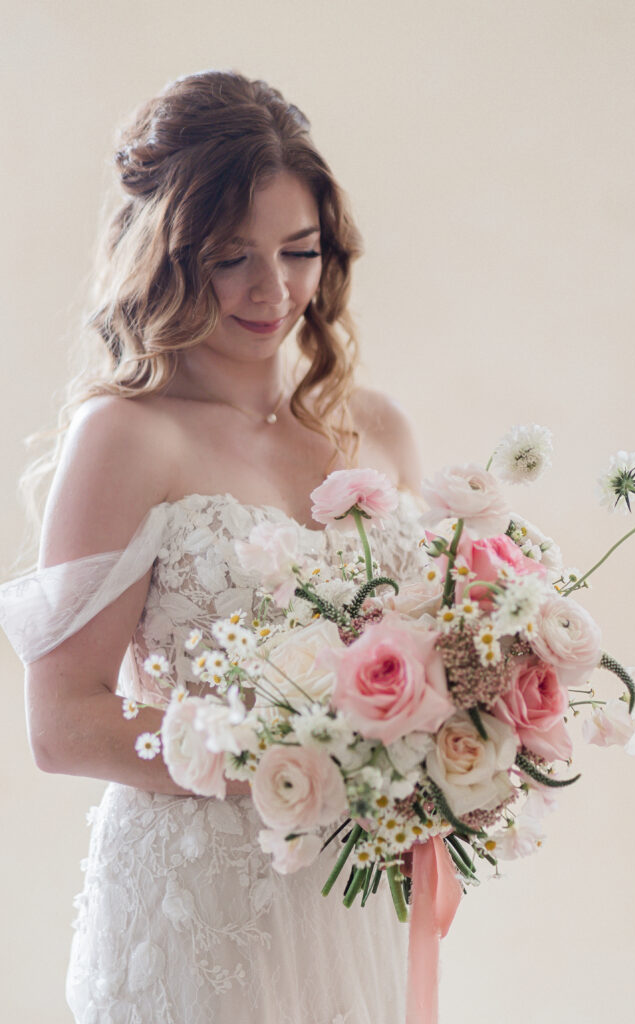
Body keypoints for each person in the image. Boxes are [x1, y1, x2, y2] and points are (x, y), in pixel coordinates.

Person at [0, 70, 427, 1023]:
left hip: (352, 894)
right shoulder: (128, 436)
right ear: (168, 255)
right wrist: (295, 767)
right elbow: (64, 721)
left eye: (299, 250)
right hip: (203, 904)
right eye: (231, 256)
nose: (272, 290)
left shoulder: (380, 429)